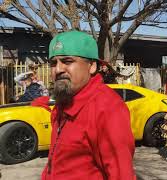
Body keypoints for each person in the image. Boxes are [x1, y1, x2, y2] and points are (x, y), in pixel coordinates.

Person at [41, 31, 135, 179]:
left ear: (91, 66)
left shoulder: (107, 107)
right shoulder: (64, 101)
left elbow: (121, 174)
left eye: (67, 61)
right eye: (53, 63)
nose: (58, 69)